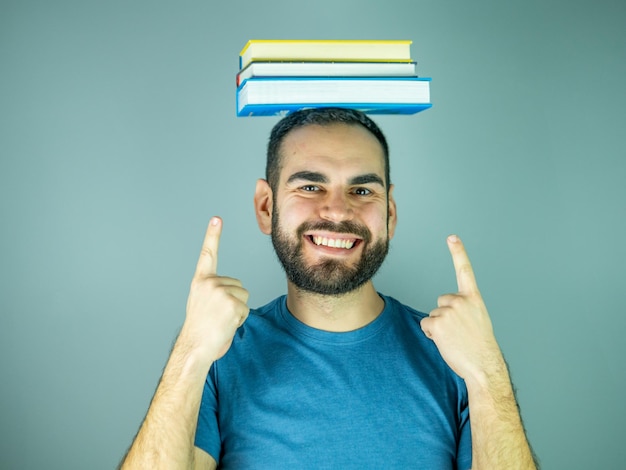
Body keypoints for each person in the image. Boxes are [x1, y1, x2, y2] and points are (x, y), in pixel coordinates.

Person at [120, 108, 537, 469]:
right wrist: (191, 351)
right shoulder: (218, 356)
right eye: (310, 186)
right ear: (267, 207)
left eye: (361, 190)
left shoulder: (457, 357)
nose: (338, 210)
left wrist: (487, 371)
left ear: (389, 214)